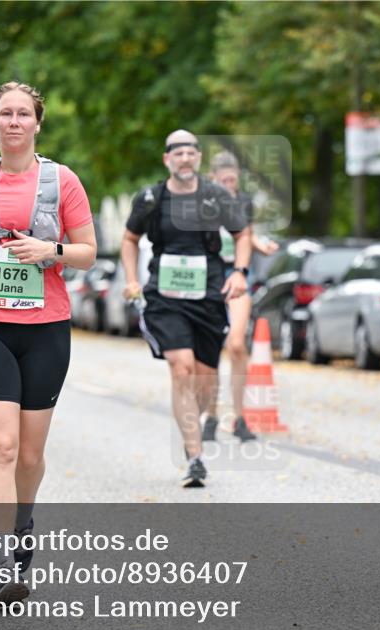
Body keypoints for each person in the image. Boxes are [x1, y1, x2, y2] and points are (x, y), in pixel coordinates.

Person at [0, 81, 96, 602]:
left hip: (46, 328)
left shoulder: (62, 180)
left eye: (22, 113)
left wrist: (49, 248)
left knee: (30, 455)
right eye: (5, 113)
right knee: (0, 446)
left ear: (37, 123)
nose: (13, 121)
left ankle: (23, 521)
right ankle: (3, 558)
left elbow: (88, 252)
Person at [121, 130, 251, 489]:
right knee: (182, 369)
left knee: (205, 380)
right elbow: (129, 240)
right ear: (167, 160)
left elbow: (242, 235)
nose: (184, 158)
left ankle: (196, 418)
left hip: (208, 296)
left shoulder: (215, 196)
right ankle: (195, 457)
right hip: (165, 297)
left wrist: (239, 273)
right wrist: (131, 278)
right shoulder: (150, 199)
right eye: (177, 153)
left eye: (191, 152)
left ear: (198, 158)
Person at [201, 151, 279, 443]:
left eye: (233, 180)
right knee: (210, 349)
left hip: (237, 276)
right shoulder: (203, 203)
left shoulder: (242, 203)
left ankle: (240, 418)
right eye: (224, 181)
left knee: (236, 344)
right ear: (213, 179)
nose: (229, 186)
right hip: (209, 278)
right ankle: (210, 415)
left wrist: (262, 246)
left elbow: (245, 235)